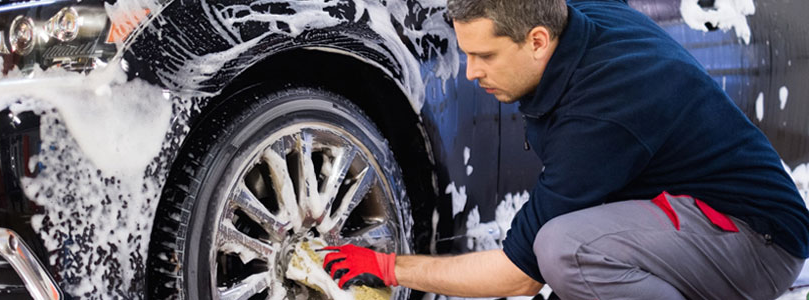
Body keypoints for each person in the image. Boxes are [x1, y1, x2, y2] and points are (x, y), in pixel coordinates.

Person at [322, 0, 809, 298]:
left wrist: (389, 267)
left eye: (484, 55)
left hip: (756, 244)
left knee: (562, 248)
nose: (471, 71)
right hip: (700, 215)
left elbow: (519, 276)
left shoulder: (599, 114)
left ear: (537, 41)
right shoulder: (572, 18)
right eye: (466, 53)